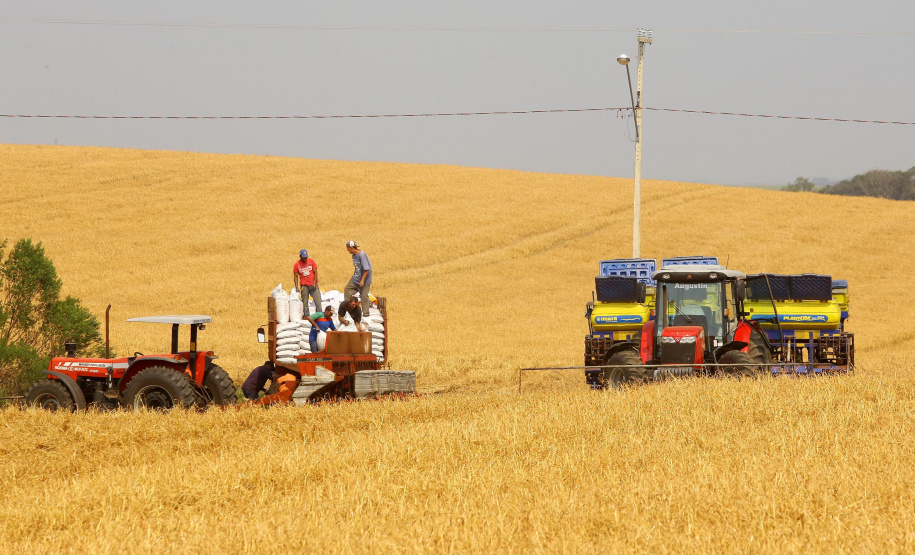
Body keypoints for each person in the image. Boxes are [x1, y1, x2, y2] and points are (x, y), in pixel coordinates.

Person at [344, 240, 372, 317]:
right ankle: (349, 309)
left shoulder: (361, 255)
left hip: (364, 280)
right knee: (347, 290)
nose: (347, 250)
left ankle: (366, 313)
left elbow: (367, 269)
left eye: (348, 249)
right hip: (355, 279)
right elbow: (357, 268)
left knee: (364, 296)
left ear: (351, 248)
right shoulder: (354, 256)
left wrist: (362, 280)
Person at [293, 249, 322, 313]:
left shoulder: (311, 261)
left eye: (306, 257)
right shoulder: (297, 264)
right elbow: (296, 276)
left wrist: (315, 283)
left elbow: (315, 272)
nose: (305, 259)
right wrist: (296, 287)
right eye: (303, 257)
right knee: (305, 303)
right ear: (300, 256)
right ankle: (306, 315)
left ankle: (319, 315)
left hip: (313, 285)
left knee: (318, 302)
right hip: (304, 286)